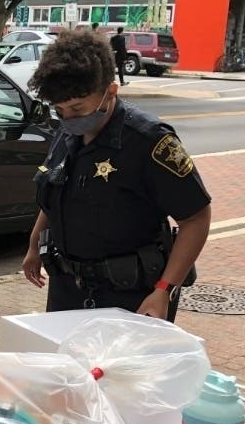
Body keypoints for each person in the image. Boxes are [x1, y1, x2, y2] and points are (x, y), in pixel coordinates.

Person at [21, 30, 211, 321]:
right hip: (69, 288)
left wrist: (164, 290)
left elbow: (196, 218)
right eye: (60, 110)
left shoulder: (149, 141)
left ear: (110, 92)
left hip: (131, 294)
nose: (69, 118)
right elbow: (55, 194)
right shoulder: (69, 132)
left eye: (77, 108)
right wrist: (35, 246)